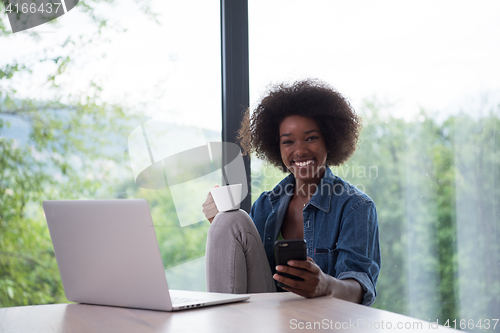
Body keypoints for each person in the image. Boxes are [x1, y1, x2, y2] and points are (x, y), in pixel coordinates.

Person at [202, 79, 380, 306]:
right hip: (266, 319)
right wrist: (221, 224)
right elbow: (247, 271)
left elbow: (359, 289)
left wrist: (325, 285)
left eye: (311, 138)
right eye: (288, 141)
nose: (300, 150)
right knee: (230, 219)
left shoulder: (355, 207)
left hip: (325, 322)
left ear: (330, 139)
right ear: (277, 147)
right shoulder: (266, 205)